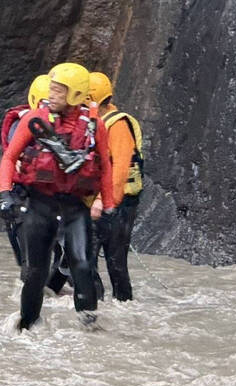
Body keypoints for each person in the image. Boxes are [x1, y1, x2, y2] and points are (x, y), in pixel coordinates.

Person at [0, 62, 115, 330]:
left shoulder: (94, 126)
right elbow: (9, 158)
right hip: (40, 206)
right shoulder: (33, 120)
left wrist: (107, 205)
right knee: (36, 272)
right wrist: (6, 195)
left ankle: (89, 327)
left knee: (83, 266)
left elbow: (106, 167)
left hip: (75, 208)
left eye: (59, 91)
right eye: (52, 89)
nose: (52, 95)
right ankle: (27, 325)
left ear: (75, 94)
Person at [88, 71, 144, 301]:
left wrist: (105, 201)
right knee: (84, 257)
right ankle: (94, 304)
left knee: (115, 261)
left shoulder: (117, 124)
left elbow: (120, 168)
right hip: (97, 201)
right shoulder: (93, 122)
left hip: (119, 203)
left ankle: (124, 304)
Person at [0, 74, 51, 267]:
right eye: (45, 102)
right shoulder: (22, 124)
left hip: (55, 197)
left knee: (64, 261)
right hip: (24, 195)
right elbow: (11, 157)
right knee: (29, 263)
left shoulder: (73, 125)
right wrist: (5, 196)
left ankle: (55, 293)